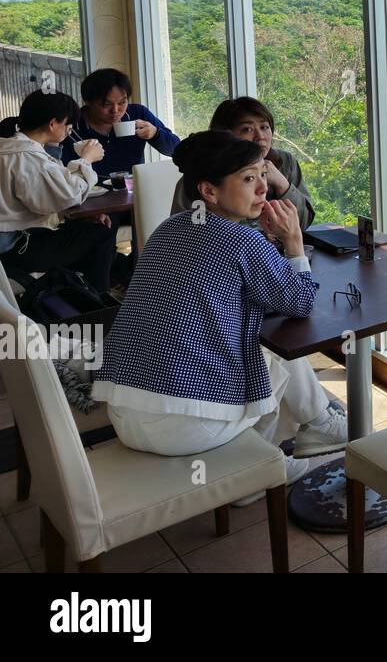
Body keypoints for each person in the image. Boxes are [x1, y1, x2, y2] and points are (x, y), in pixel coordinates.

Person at [91, 131, 347, 496]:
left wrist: (268, 248)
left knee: (261, 353)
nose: (262, 189)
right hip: (182, 427)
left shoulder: (168, 228)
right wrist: (293, 243)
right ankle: (253, 474)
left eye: (262, 175)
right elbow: (300, 302)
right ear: (209, 191)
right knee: (270, 360)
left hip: (123, 412)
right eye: (248, 178)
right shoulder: (242, 240)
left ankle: (289, 441)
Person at [0, 90, 117, 294]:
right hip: (16, 248)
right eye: (68, 125)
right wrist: (87, 159)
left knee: (89, 230)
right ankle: (97, 302)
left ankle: (73, 295)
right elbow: (67, 196)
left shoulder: (10, 147)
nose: (69, 130)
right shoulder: (28, 157)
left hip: (13, 241)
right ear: (53, 124)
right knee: (103, 233)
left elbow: (52, 190)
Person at [172, 96, 314, 231]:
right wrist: (258, 234)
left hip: (279, 252)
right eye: (248, 129)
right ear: (224, 136)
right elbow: (185, 233)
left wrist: (282, 184)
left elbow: (303, 223)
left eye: (264, 127)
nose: (260, 137)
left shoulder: (286, 162)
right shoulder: (200, 175)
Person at [61, 67, 179, 179]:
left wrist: (155, 134)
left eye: (122, 102)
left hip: (131, 192)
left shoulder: (137, 113)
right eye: (107, 104)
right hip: (87, 195)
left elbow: (177, 150)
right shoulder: (70, 126)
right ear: (88, 102)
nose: (115, 110)